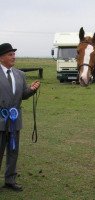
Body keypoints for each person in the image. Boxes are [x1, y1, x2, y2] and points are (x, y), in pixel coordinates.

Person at [0, 43, 40, 191]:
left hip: (15, 120)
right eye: (10, 54)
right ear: (1, 57)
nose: (13, 57)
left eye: (14, 54)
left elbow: (23, 95)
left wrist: (32, 90)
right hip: (0, 120)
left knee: (13, 151)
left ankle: (10, 180)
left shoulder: (20, 74)